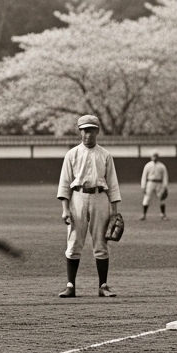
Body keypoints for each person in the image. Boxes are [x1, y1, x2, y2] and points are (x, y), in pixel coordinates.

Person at [56, 115, 122, 298]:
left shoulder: (105, 155)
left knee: (101, 243)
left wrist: (114, 213)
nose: (88, 134)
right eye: (85, 130)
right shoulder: (72, 154)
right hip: (77, 197)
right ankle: (70, 285)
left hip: (100, 198)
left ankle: (103, 285)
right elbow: (64, 183)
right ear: (80, 131)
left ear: (97, 131)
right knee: (74, 242)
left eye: (91, 130)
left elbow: (113, 184)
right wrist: (65, 209)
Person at [140, 151, 169, 220]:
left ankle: (163, 214)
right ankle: (144, 215)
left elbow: (165, 176)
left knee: (161, 198)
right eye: (153, 156)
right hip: (150, 182)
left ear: (158, 157)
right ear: (151, 157)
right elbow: (144, 176)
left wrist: (165, 186)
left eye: (156, 156)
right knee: (147, 197)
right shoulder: (148, 165)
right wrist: (143, 186)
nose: (154, 157)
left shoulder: (162, 166)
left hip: (159, 183)